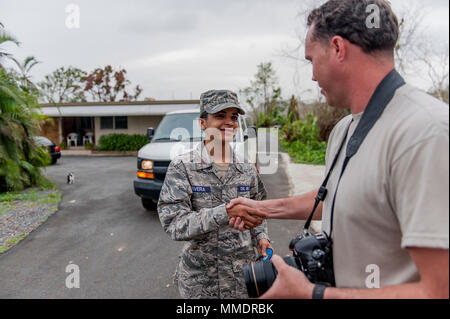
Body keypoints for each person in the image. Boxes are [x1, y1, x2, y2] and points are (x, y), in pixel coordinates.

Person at [228, 0, 449, 299]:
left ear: (337, 48)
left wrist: (312, 294)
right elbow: (335, 196)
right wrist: (262, 209)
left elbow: (439, 290)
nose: (313, 75)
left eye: (311, 60)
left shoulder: (426, 133)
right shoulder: (344, 129)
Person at [157, 89, 272, 298]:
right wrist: (225, 213)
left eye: (234, 117)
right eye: (220, 116)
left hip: (242, 280)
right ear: (203, 123)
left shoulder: (246, 168)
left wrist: (262, 237)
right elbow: (174, 223)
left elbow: (258, 210)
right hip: (201, 283)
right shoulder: (183, 167)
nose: (229, 122)